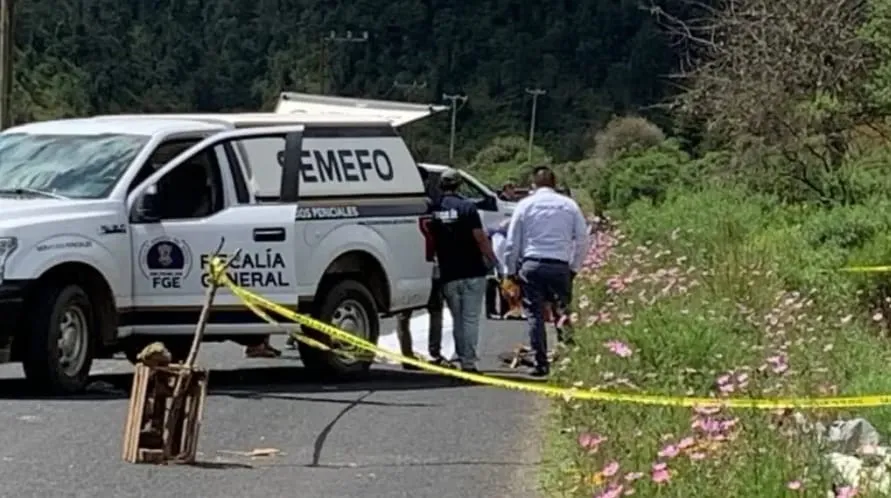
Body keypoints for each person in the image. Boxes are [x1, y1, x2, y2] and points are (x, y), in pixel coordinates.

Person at [503, 166, 589, 377]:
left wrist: (510, 270)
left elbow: (512, 242)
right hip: (560, 265)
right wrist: (574, 267)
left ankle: (540, 362)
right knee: (563, 312)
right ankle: (570, 359)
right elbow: (583, 239)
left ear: (533, 184)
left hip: (532, 265)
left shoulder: (525, 205)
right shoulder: (569, 205)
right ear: (555, 183)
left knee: (534, 314)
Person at [430, 168, 497, 373]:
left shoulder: (434, 209)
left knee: (457, 318)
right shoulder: (467, 207)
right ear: (459, 185)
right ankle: (468, 362)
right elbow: (479, 237)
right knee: (470, 319)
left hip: (448, 272)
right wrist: (492, 259)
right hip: (472, 270)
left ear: (441, 185)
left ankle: (462, 356)